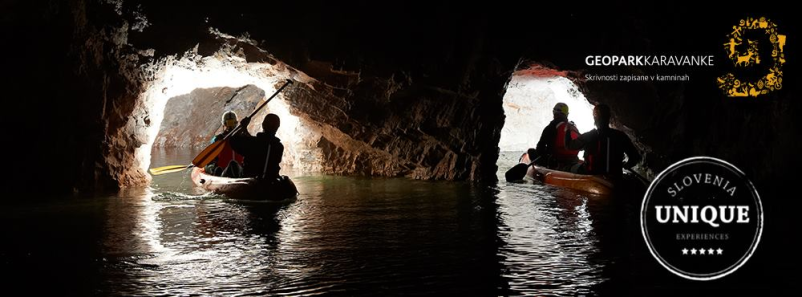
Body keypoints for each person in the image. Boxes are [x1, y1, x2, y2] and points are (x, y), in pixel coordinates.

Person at [565, 104, 641, 179]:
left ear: (595, 118)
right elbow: (635, 157)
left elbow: (569, 146)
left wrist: (567, 130)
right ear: (609, 117)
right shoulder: (620, 135)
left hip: (592, 176)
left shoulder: (589, 135)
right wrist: (626, 165)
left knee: (569, 168)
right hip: (615, 176)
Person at [230, 113, 284, 179]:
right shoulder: (279, 147)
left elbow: (232, 140)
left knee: (233, 164)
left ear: (263, 125)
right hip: (270, 180)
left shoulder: (253, 142)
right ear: (277, 127)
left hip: (251, 180)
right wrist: (245, 130)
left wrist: (242, 126)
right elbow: (263, 145)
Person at [530, 102, 581, 171]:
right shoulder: (572, 126)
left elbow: (540, 147)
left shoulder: (550, 127)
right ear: (566, 114)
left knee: (531, 151)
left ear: (554, 113)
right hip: (573, 159)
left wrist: (543, 155)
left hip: (554, 161)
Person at [205, 111, 244, 178]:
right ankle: (216, 171)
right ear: (236, 123)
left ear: (224, 124)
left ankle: (215, 171)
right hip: (240, 171)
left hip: (224, 171)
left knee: (210, 167)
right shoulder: (244, 137)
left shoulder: (217, 139)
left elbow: (210, 158)